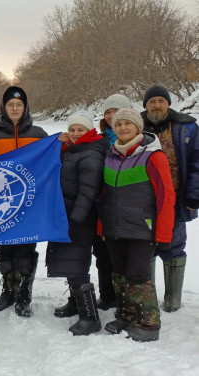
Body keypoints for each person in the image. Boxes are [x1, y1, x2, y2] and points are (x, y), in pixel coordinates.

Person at [100, 109, 175, 342]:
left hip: (142, 228)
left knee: (138, 275)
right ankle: (127, 314)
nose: (122, 128)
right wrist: (103, 226)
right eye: (118, 124)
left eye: (127, 124)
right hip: (114, 227)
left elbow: (166, 196)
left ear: (138, 127)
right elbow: (105, 195)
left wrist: (163, 232)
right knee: (120, 274)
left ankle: (149, 323)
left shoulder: (153, 156)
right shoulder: (111, 156)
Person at [0, 86, 47, 317]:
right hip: (1, 204)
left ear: (25, 107)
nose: (15, 108)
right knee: (5, 248)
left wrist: (64, 143)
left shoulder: (39, 134)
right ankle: (8, 291)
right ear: (3, 108)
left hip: (29, 204)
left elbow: (51, 162)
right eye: (10, 105)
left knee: (26, 248)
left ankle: (23, 295)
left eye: (19, 105)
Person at [47, 111, 109, 335]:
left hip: (79, 218)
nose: (74, 134)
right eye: (72, 130)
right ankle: (75, 302)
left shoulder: (91, 154)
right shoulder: (75, 150)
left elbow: (88, 192)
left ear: (90, 131)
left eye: (80, 130)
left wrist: (75, 219)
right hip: (66, 214)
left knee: (78, 265)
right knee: (69, 261)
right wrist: (60, 145)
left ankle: (90, 316)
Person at [141, 84, 199, 313]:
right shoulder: (134, 125)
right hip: (143, 200)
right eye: (152, 101)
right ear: (145, 106)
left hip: (174, 199)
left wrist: (194, 194)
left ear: (168, 103)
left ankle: (173, 299)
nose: (157, 105)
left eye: (161, 101)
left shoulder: (187, 127)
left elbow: (197, 163)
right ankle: (149, 295)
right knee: (145, 246)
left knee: (174, 244)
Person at [93, 94, 133, 310]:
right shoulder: (99, 141)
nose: (110, 116)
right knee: (102, 254)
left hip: (127, 208)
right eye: (107, 112)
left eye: (115, 111)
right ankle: (106, 296)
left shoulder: (137, 139)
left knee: (125, 258)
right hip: (101, 206)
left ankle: (125, 302)